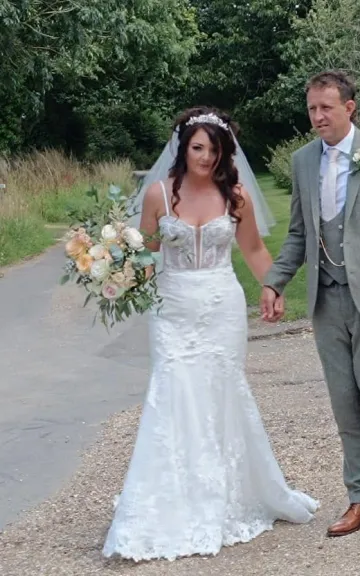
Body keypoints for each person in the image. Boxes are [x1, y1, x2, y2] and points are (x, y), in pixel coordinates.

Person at [102, 107, 319, 562]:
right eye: (197, 147)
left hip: (221, 306)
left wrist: (272, 286)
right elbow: (145, 254)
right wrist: (112, 277)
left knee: (221, 394)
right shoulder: (159, 195)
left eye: (214, 149)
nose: (205, 156)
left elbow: (255, 250)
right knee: (173, 393)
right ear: (183, 147)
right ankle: (168, 500)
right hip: (173, 308)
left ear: (224, 153)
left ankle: (224, 495)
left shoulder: (235, 195)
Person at [260, 70, 360, 538]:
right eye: (311, 108)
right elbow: (297, 233)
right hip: (325, 300)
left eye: (326, 108)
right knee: (345, 404)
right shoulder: (303, 162)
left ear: (349, 107)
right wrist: (275, 282)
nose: (317, 117)